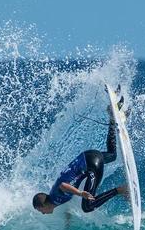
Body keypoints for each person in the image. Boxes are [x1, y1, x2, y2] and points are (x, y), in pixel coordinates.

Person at [33, 86, 127, 215]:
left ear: (43, 205)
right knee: (112, 156)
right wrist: (68, 219)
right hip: (89, 156)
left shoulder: (55, 196)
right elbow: (65, 192)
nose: (43, 213)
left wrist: (80, 193)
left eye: (40, 210)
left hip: (90, 166)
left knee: (88, 207)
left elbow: (63, 186)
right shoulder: (55, 199)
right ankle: (112, 119)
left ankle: (121, 190)